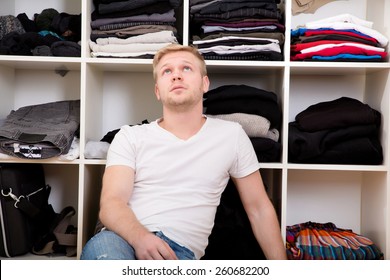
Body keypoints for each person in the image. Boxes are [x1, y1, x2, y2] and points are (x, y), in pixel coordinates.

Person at [80, 44, 287, 260]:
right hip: (121, 240)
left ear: (205, 83)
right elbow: (111, 203)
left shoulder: (232, 136)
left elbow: (259, 209)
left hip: (179, 253)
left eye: (186, 68)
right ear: (158, 90)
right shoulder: (129, 136)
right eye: (167, 71)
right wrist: (140, 238)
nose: (176, 75)